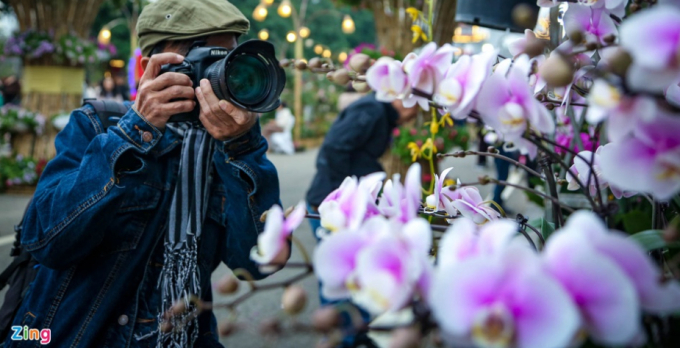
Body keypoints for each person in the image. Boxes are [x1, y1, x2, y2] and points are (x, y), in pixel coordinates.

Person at [2, 1, 280, 347]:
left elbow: (256, 264)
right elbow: (46, 241)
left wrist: (243, 148)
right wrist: (135, 132)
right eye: (203, 57)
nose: (218, 73)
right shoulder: (96, 125)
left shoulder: (229, 147)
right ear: (150, 67)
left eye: (226, 58)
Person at [305, 92, 418, 348]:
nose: (414, 117)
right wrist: (345, 197)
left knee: (358, 275)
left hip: (347, 210)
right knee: (341, 279)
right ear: (404, 98)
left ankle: (356, 333)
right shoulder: (373, 109)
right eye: (417, 107)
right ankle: (344, 338)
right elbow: (334, 146)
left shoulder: (380, 113)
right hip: (333, 209)